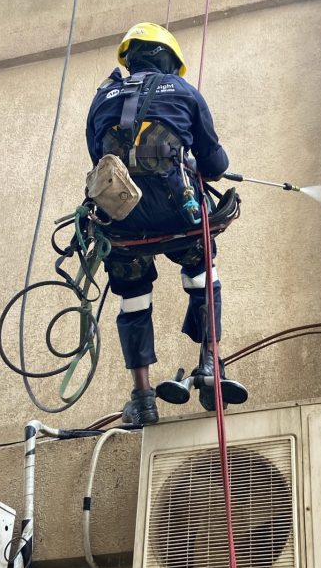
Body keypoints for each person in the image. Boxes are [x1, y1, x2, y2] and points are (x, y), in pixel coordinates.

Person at [86, 22, 247, 427]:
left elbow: (100, 161)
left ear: (130, 59)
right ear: (169, 60)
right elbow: (215, 165)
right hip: (179, 216)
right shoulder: (184, 91)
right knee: (202, 273)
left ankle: (142, 398)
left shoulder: (102, 97)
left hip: (122, 221)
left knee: (132, 296)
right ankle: (209, 363)